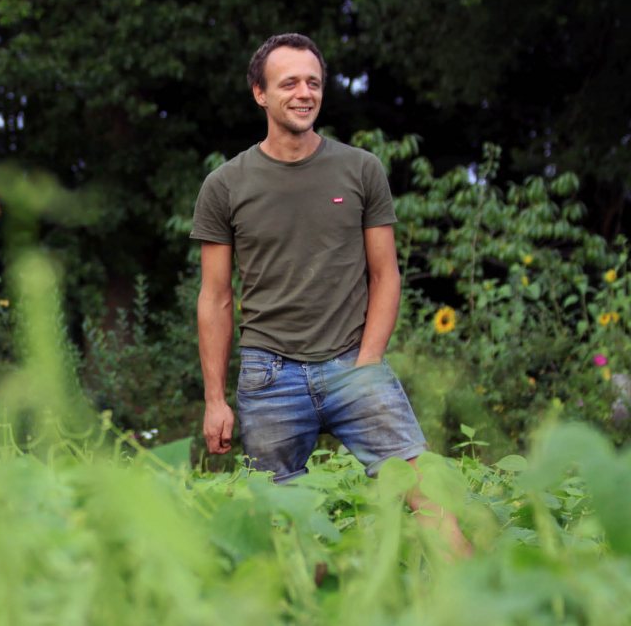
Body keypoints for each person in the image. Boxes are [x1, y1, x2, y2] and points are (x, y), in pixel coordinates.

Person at [191, 33, 472, 557]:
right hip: (268, 376)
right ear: (260, 93)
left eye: (313, 82)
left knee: (428, 496)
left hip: (354, 365)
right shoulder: (225, 184)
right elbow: (216, 298)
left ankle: (487, 607)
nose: (304, 92)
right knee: (283, 532)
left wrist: (367, 365)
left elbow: (386, 276)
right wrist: (214, 399)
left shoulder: (360, 169)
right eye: (289, 82)